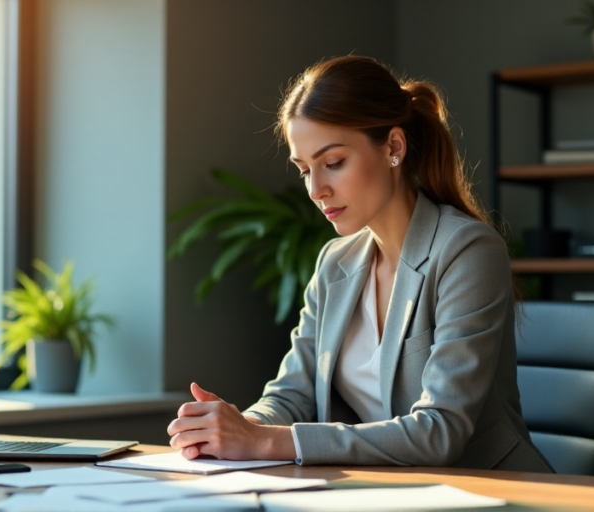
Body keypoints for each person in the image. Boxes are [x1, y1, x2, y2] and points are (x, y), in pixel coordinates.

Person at [167, 56, 552, 472]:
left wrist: (262, 442)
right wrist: (238, 427)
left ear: (393, 148)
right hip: (386, 492)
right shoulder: (335, 263)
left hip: (493, 490)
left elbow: (439, 431)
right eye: (304, 170)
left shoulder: (467, 250)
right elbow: (292, 395)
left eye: (333, 163)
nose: (316, 189)